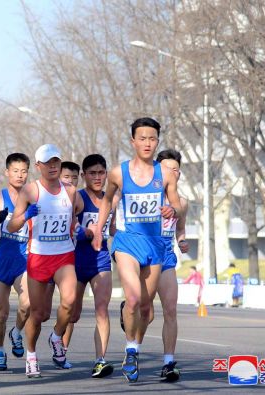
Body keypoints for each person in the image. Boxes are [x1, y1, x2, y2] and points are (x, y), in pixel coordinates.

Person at [92, 117, 181, 383]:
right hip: (127, 243)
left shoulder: (164, 175)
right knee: (132, 299)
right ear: (133, 141)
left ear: (157, 141)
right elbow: (107, 201)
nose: (147, 143)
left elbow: (176, 205)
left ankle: (135, 346)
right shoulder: (118, 173)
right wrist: (99, 229)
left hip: (155, 245)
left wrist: (171, 210)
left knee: (145, 307)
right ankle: (131, 350)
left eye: (152, 138)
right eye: (142, 138)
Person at [7, 144, 78, 379]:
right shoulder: (30, 191)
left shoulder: (70, 191)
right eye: (47, 163)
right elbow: (12, 225)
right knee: (38, 314)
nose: (53, 166)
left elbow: (74, 217)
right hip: (38, 256)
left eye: (56, 161)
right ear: (38, 166)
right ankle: (31, 355)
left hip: (64, 254)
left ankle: (57, 336)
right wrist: (25, 216)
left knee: (69, 301)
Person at [65, 154, 116, 378]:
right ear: (84, 175)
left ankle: (100, 360)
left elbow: (114, 230)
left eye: (101, 173)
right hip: (76, 260)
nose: (97, 177)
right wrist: (83, 231)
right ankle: (61, 353)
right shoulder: (78, 197)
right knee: (71, 314)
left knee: (102, 309)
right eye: (92, 173)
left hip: (101, 258)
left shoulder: (112, 200)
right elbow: (68, 224)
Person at [144, 149, 190, 382]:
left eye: (175, 169)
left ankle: (168, 363)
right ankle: (132, 350)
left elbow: (180, 229)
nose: (172, 172)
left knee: (170, 309)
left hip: (166, 255)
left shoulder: (182, 202)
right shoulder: (146, 195)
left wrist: (182, 241)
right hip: (144, 255)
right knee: (146, 313)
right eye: (166, 169)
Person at [0, 153, 31, 371]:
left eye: (23, 171)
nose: (19, 175)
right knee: (1, 312)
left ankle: (16, 332)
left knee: (27, 304)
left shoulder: (32, 199)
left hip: (22, 261)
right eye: (15, 171)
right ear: (7, 172)